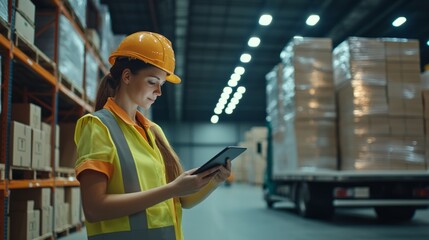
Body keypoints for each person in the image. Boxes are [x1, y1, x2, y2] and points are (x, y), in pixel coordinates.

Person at [74, 31, 231, 240]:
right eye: (152, 81)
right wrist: (170, 189)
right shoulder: (98, 126)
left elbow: (182, 199)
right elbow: (94, 209)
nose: (159, 91)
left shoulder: (153, 130)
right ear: (127, 76)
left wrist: (214, 180)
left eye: (162, 85)